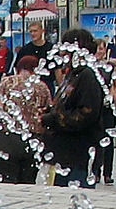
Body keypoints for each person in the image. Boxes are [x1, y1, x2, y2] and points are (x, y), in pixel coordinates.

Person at [41, 28, 105, 188]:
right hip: (63, 152)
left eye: (66, 47)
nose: (62, 52)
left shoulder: (87, 76)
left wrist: (55, 118)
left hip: (77, 153)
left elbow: (86, 114)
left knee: (73, 199)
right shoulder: (73, 74)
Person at [0, 55, 51, 184]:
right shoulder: (42, 87)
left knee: (4, 184)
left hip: (7, 138)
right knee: (27, 184)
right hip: (32, 140)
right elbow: (47, 114)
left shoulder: (7, 82)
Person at [92, 38, 116, 185]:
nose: (99, 52)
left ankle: (108, 173)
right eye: (96, 49)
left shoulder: (110, 67)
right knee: (97, 139)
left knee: (109, 140)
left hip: (108, 107)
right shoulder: (89, 66)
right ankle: (95, 171)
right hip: (96, 107)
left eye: (101, 49)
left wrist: (113, 92)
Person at [14, 22, 58, 94]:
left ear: (42, 31)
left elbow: (57, 70)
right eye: (31, 31)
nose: (33, 34)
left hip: (48, 85)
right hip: (30, 86)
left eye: (35, 31)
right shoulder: (25, 50)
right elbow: (17, 68)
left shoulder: (51, 48)